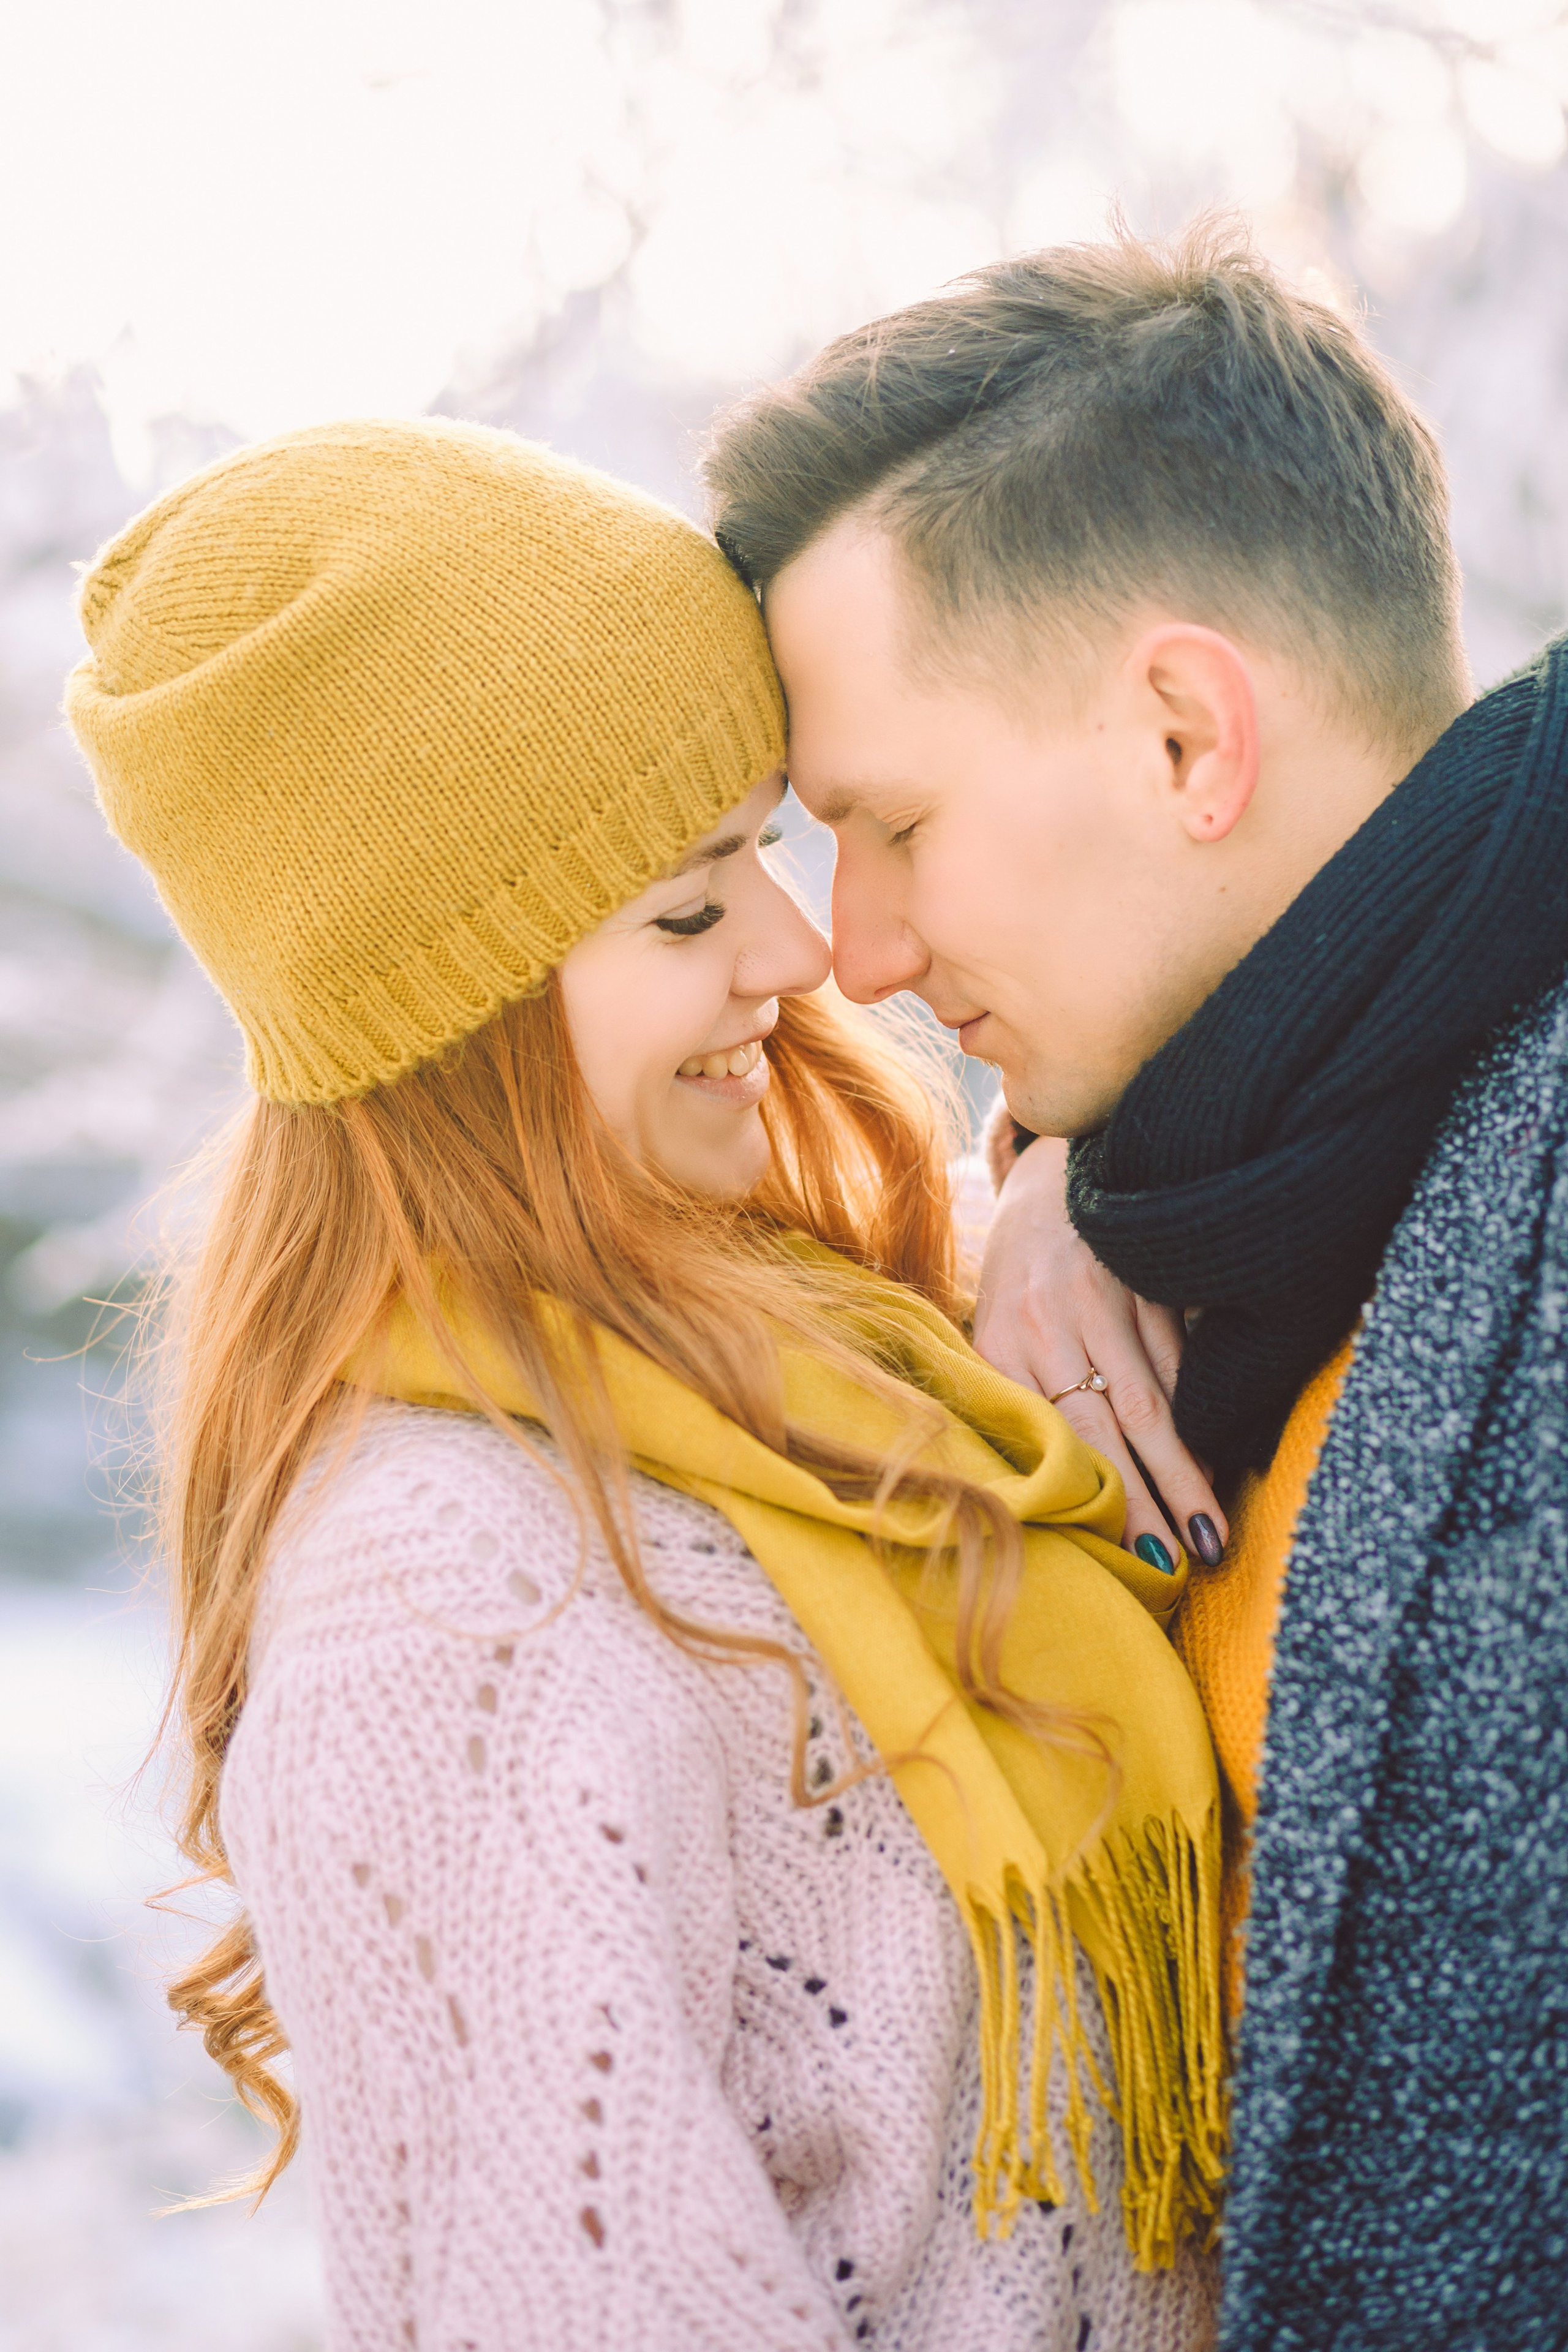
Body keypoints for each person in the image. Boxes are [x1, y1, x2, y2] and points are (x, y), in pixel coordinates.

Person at [65, 418, 1226, 2351]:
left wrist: (1049, 1188)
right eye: (688, 908)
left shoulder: (805, 1344)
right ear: (462, 1025)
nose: (798, 947)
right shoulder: (443, 1609)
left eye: (761, 847)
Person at [704, 222, 1568, 2350]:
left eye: (887, 825)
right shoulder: (1242, 1227)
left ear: (1187, 736)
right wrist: (1098, 1171)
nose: (861, 953)